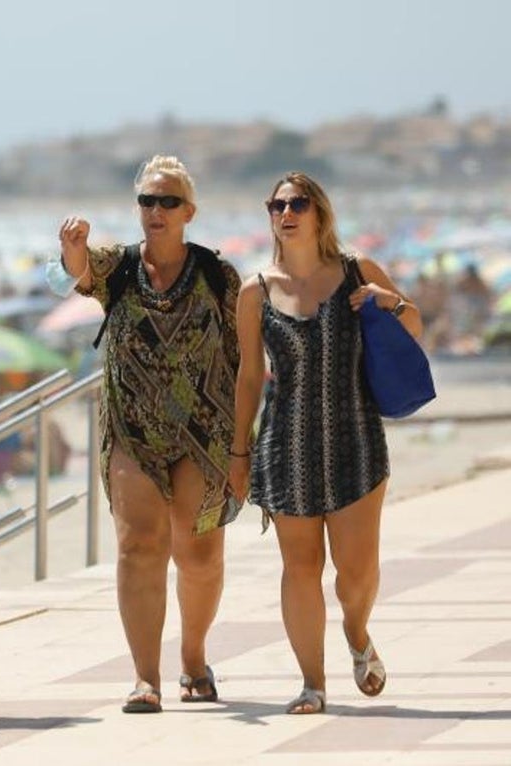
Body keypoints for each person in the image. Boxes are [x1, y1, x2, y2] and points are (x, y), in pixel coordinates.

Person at [230, 171, 423, 715]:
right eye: (276, 205)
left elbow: (414, 329)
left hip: (357, 441)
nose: (285, 213)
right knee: (300, 565)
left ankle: (357, 633)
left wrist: (391, 302)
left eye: (297, 203)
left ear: (319, 213)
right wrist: (237, 453)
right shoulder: (255, 290)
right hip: (284, 445)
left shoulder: (359, 271)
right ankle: (312, 684)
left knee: (356, 575)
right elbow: (248, 379)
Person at [57, 155, 241, 713]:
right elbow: (81, 274)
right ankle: (145, 678)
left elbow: (249, 352)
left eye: (167, 202)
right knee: (139, 546)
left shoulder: (217, 274)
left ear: (188, 211)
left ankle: (192, 655)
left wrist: (246, 442)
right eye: (146, 201)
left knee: (199, 553)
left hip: (205, 432)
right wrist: (72, 252)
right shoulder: (119, 266)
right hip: (132, 429)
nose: (155, 211)